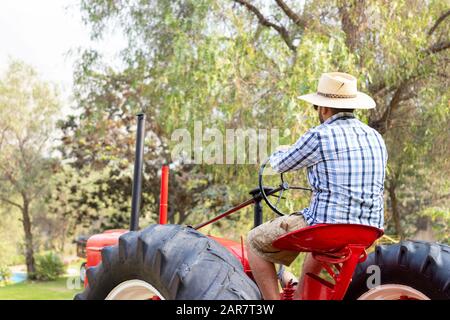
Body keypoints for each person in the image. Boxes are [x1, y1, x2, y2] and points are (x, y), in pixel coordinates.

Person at [246, 72, 388, 300]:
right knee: (315, 257)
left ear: (323, 109)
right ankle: (302, 295)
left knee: (254, 242)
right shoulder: (375, 137)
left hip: (328, 227)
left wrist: (282, 149)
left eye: (316, 108)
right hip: (368, 230)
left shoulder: (320, 135)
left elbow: (281, 164)